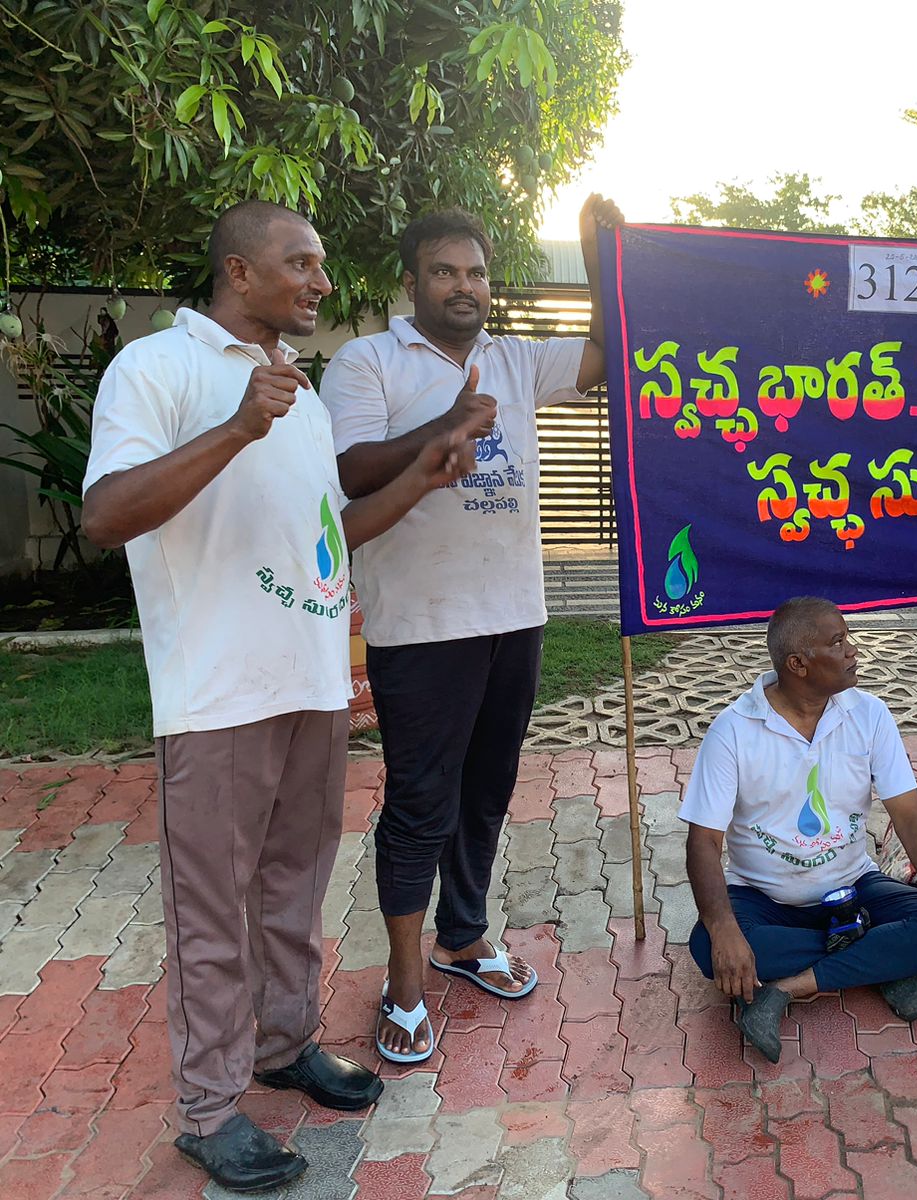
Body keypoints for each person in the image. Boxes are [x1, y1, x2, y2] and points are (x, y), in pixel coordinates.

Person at [81, 201, 469, 1192]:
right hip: (216, 697)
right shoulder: (159, 369)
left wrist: (423, 476)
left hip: (310, 686)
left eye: (321, 264)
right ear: (239, 272)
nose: (321, 282)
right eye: (301, 262)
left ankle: (283, 1044)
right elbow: (106, 516)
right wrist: (236, 427)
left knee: (294, 889)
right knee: (213, 914)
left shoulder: (302, 391)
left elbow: (331, 533)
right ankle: (210, 1111)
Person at [318, 197, 623, 1063]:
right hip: (421, 626)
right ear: (410, 282)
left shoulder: (516, 358)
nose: (465, 286)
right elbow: (351, 468)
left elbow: (611, 353)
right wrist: (445, 429)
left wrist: (601, 258)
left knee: (487, 790)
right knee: (421, 802)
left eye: (477, 272)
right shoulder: (367, 361)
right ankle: (404, 982)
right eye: (445, 271)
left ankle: (462, 936)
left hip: (514, 615)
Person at [682, 597, 917, 1062]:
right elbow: (703, 841)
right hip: (764, 899)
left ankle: (789, 987)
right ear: (798, 664)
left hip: (854, 887)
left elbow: (909, 816)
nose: (852, 651)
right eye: (838, 642)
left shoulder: (869, 714)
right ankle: (875, 959)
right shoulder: (733, 731)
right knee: (707, 947)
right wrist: (724, 929)